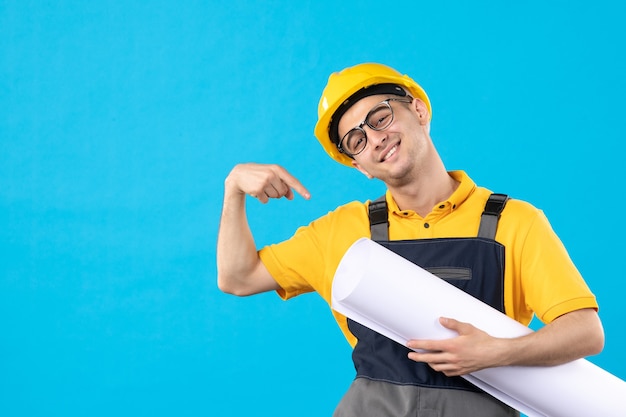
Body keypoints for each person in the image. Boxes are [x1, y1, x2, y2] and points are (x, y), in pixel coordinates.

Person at [216, 62, 604, 416]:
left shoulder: (513, 223)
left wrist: (497, 352)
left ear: (418, 110)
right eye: (356, 140)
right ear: (358, 165)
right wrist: (233, 189)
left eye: (380, 117)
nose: (375, 139)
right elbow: (237, 277)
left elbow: (585, 331)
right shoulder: (343, 231)